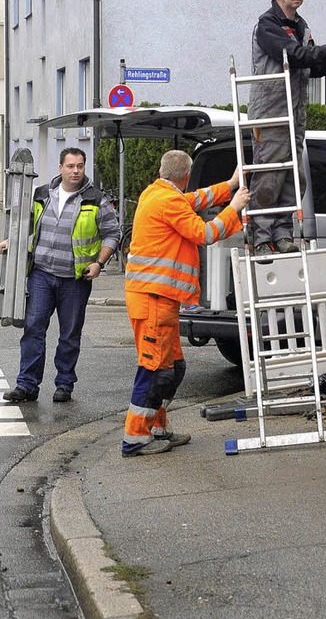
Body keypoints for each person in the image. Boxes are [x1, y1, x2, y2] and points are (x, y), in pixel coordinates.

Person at [121, 150, 249, 457]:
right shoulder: (167, 201)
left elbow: (197, 199)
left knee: (173, 368)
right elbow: (205, 234)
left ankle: (156, 426)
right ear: (185, 176)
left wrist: (229, 184)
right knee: (155, 370)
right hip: (153, 299)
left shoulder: (159, 193)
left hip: (158, 300)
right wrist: (234, 207)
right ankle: (135, 437)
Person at [2, 148, 119, 404]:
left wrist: (100, 262)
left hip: (75, 279)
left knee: (69, 333)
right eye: (70, 166)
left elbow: (113, 233)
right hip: (42, 274)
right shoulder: (42, 194)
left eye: (80, 166)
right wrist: (12, 241)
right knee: (33, 329)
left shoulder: (95, 199)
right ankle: (27, 385)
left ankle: (64, 384)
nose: (75, 171)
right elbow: (24, 223)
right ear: (60, 168)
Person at [249, 0, 326, 256]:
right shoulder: (267, 26)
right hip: (271, 115)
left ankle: (282, 232)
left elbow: (313, 66)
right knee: (269, 177)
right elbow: (294, 55)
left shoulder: (300, 26)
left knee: (294, 178)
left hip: (295, 116)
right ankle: (262, 237)